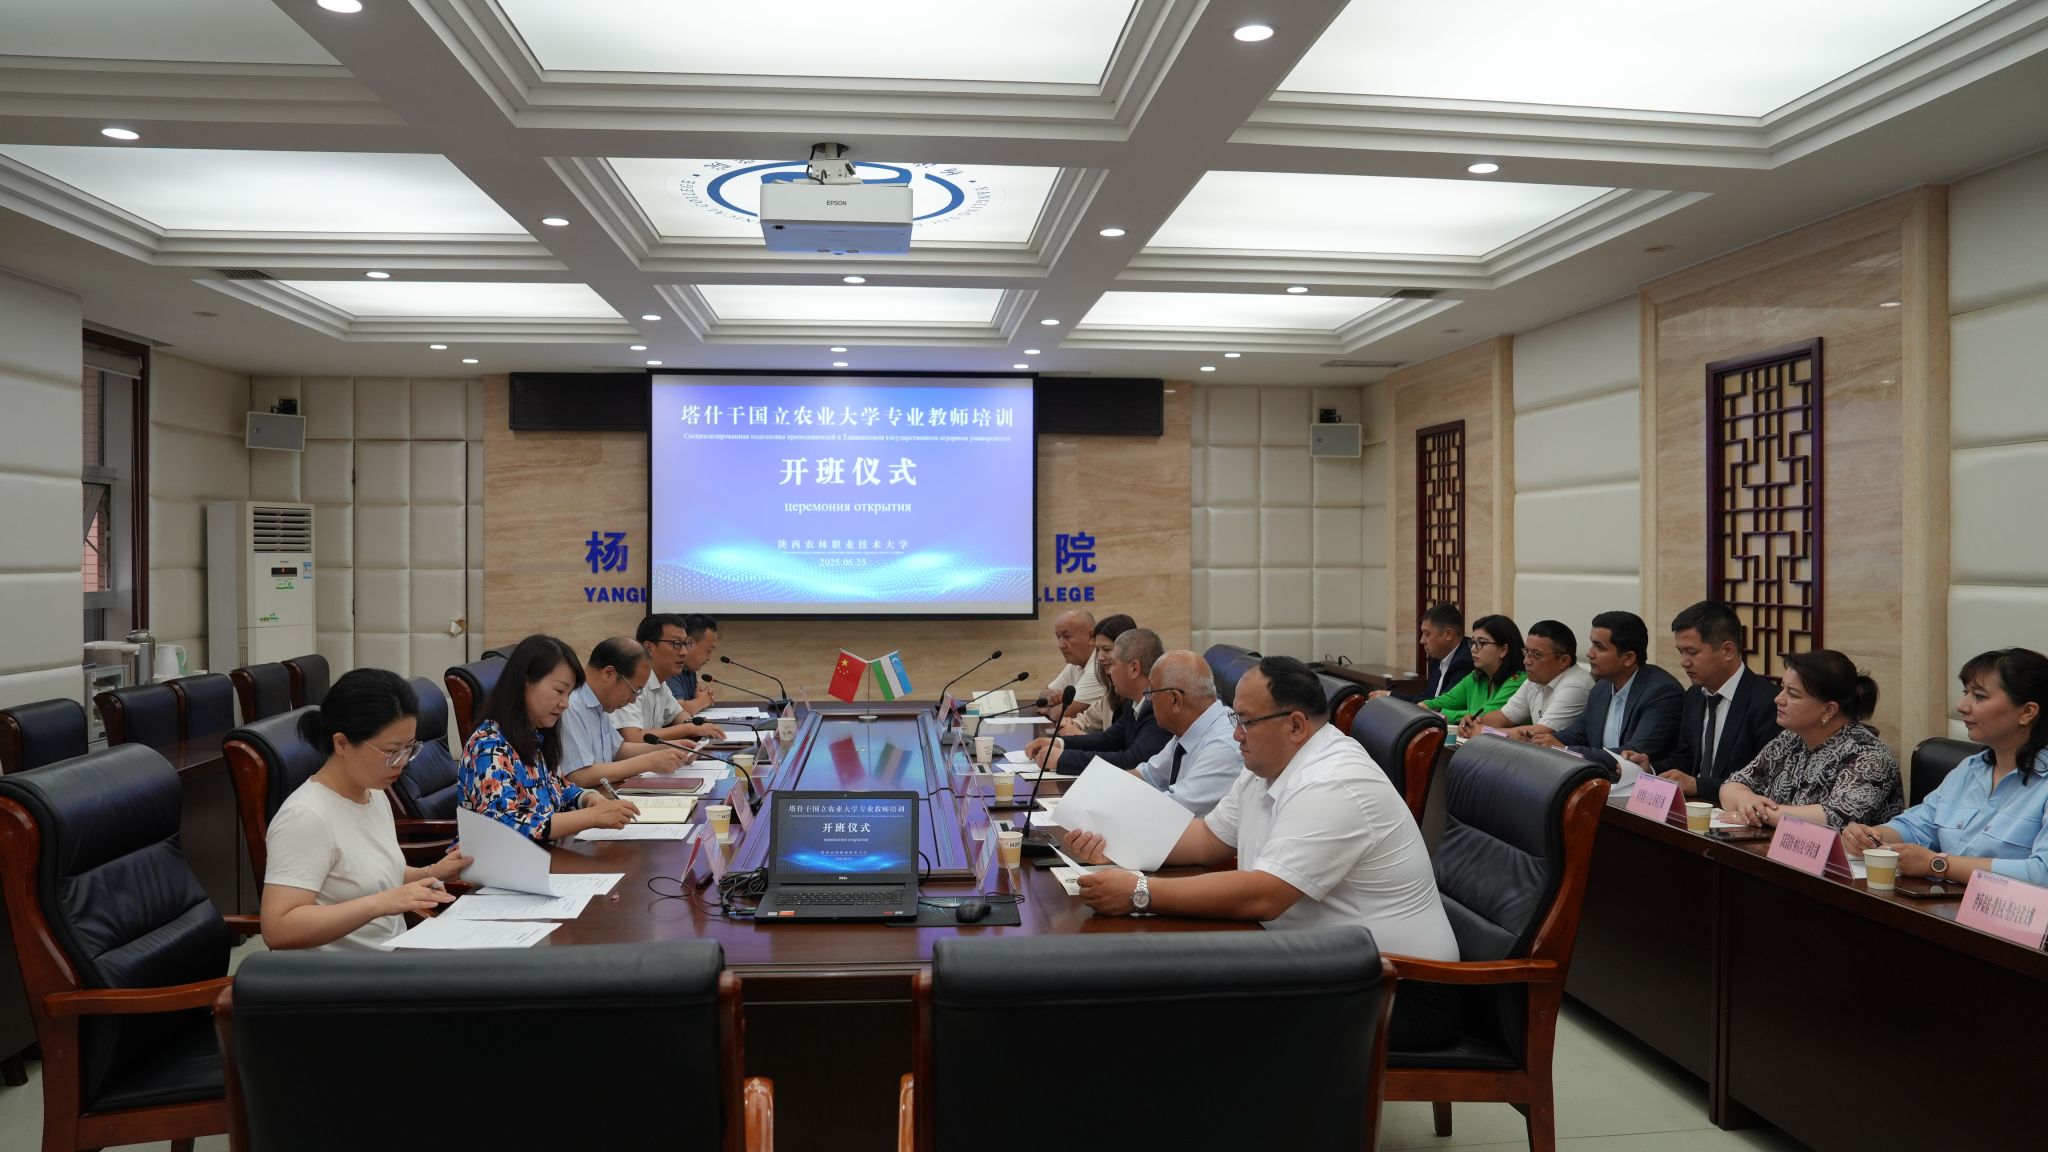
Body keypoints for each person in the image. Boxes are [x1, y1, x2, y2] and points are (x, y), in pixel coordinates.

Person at [1065, 655, 1460, 1049]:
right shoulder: (1268, 764)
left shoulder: (1334, 782)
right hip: (1325, 966)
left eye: (1245, 721)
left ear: (1295, 725)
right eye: (1235, 717)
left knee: (1183, 1009)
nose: (1235, 734)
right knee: (1168, 988)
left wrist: (1139, 892)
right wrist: (1117, 848)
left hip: (1399, 989)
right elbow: (1207, 838)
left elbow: (1265, 896)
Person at [260, 669, 472, 951]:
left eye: (409, 748)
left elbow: (368, 877)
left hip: (391, 956)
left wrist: (433, 872)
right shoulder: (305, 817)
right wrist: (381, 904)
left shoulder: (373, 792)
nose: (402, 762)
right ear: (342, 743)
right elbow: (278, 929)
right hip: (342, 973)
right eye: (391, 751)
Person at [1843, 648, 2048, 885]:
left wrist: (1938, 864)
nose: (1962, 705)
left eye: (1979, 697)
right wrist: (1871, 836)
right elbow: (1917, 826)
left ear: (2027, 712)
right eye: (1965, 693)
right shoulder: (1970, 769)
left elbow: (2042, 873)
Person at [461, 634, 640, 842]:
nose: (565, 704)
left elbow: (558, 788)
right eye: (559, 691)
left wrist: (588, 798)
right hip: (502, 859)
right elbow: (504, 826)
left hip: (544, 853)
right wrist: (591, 817)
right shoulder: (489, 746)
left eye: (568, 694)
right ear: (524, 682)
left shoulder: (534, 735)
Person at [1716, 650, 1904, 829]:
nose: (1778, 699)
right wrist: (1747, 801)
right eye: (1782, 688)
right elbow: (1731, 786)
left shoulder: (1869, 756)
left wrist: (1758, 813)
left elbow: (1836, 819)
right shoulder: (1791, 738)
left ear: (1829, 710)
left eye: (1793, 694)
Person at [1626, 601, 1779, 805]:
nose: (1684, 662)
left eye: (1692, 652)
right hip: (1693, 809)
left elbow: (1765, 782)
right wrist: (1650, 768)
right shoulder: (1695, 695)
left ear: (1728, 651)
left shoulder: (1768, 702)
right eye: (1681, 652)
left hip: (1737, 813)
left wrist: (1698, 785)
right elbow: (1685, 759)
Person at [1537, 610, 1683, 772]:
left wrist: (1565, 750)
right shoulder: (1601, 688)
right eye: (1592, 644)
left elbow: (1633, 754)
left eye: (1599, 647)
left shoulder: (1662, 693)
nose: (1589, 653)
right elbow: (1575, 735)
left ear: (1628, 658)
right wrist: (1541, 741)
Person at [1025, 627, 1171, 774]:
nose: (1109, 671)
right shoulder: (1134, 702)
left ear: (1134, 669)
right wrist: (1058, 743)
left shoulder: (1158, 708)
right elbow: (1109, 740)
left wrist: (1063, 758)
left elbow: (1132, 762)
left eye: (1113, 663)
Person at [559, 635, 693, 788]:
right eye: (635, 690)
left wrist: (669, 747)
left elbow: (618, 750)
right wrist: (648, 762)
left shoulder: (599, 704)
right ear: (608, 673)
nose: (633, 700)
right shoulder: (571, 707)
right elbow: (579, 776)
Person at [1124, 650, 1243, 814]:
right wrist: (1100, 786)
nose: (1149, 700)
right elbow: (1148, 775)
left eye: (1151, 692)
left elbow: (1170, 813)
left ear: (1175, 699)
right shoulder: (1190, 727)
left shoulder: (1222, 749)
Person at [1460, 619, 1593, 741]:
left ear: (1563, 661)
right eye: (1526, 652)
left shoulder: (1576, 685)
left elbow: (1540, 733)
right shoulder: (1534, 680)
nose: (1526, 661)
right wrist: (1474, 723)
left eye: (1536, 654)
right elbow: (1503, 716)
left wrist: (1484, 731)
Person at [615, 613, 725, 747]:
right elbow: (632, 737)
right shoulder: (630, 681)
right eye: (676, 644)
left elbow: (678, 714)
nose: (684, 652)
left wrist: (693, 725)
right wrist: (689, 728)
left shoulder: (660, 682)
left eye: (685, 644)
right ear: (649, 648)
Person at [1419, 614, 1526, 723]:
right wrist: (1425, 705)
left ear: (1503, 650)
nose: (1473, 649)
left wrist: (1439, 713)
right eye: (1473, 642)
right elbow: (1447, 700)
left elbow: (1485, 716)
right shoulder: (1476, 676)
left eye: (1482, 643)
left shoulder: (1518, 681)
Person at [1368, 603, 1471, 704]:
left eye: (1427, 634)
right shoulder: (1438, 657)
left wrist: (1390, 695)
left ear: (1448, 634)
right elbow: (1427, 698)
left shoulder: (1465, 662)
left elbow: (1439, 705)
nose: (1422, 641)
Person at [1060, 614, 1136, 736]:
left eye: (1106, 649)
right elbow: (1086, 720)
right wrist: (1073, 724)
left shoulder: (1142, 698)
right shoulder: (1112, 693)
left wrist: (1081, 736)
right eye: (1097, 650)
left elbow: (1120, 744)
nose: (1100, 657)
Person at [1041, 609, 1106, 722]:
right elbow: (1043, 694)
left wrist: (1046, 710)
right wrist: (1051, 697)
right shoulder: (1076, 663)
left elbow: (1061, 714)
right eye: (1058, 637)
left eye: (1067, 636)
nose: (1060, 645)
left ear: (1091, 637)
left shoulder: (1099, 666)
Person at [662, 613, 721, 718]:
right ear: (689, 643)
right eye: (708, 650)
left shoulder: (689, 669)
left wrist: (703, 697)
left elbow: (691, 703)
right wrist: (702, 701)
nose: (709, 658)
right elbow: (675, 710)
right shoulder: (671, 667)